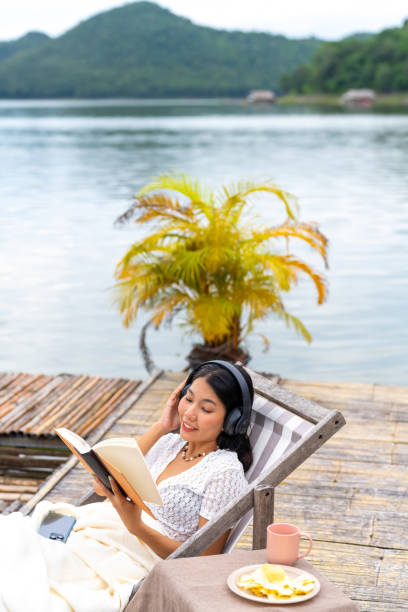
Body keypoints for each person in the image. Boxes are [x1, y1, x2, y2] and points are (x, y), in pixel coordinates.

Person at [0, 361, 254, 612]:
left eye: (206, 409)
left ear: (232, 421)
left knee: (25, 575)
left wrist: (137, 527)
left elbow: (205, 561)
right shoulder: (169, 443)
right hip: (106, 531)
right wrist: (162, 425)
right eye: (188, 399)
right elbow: (108, 480)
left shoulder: (224, 473)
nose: (188, 413)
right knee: (13, 540)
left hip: (137, 556)